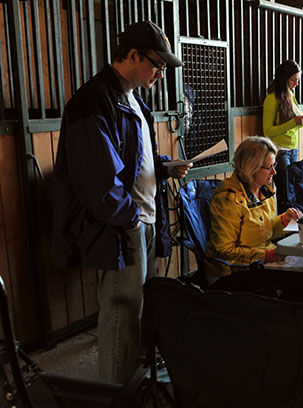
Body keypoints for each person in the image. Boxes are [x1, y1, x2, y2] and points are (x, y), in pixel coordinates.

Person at [47, 21, 190, 384]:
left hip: (140, 219)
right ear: (132, 55)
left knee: (138, 312)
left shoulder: (132, 96)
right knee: (120, 314)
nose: (160, 74)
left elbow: (134, 157)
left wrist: (164, 168)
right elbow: (98, 182)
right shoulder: (91, 100)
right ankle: (114, 395)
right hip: (123, 226)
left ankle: (132, 386)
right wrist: (131, 220)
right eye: (157, 65)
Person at [204, 136, 302, 281]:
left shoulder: (264, 191)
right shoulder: (228, 200)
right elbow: (223, 251)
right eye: (270, 167)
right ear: (252, 168)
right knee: (299, 279)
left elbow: (262, 232)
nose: (274, 172)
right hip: (230, 273)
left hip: (258, 263)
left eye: (274, 166)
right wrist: (266, 256)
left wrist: (283, 222)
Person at [262, 60, 303, 175]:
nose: (296, 84)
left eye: (298, 80)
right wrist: (294, 122)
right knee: (285, 189)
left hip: (293, 150)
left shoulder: (291, 95)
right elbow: (267, 131)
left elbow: (293, 126)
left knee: (293, 188)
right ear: (283, 79)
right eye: (293, 80)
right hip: (279, 151)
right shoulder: (272, 99)